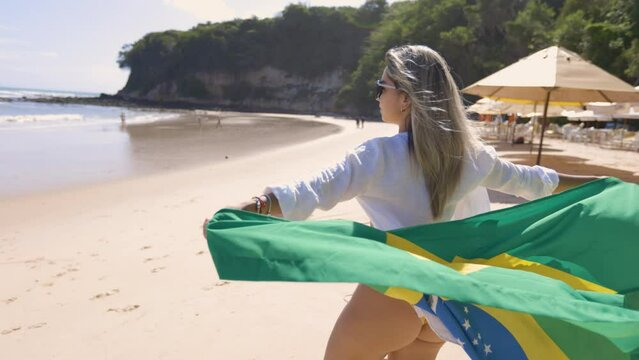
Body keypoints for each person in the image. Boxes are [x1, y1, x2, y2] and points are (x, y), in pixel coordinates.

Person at [205, 45, 600, 359]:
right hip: (449, 303)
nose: (378, 97)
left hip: (394, 293)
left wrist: (239, 212)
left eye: (382, 87)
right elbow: (540, 183)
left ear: (406, 98)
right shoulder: (472, 155)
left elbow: (307, 193)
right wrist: (604, 183)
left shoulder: (378, 156)